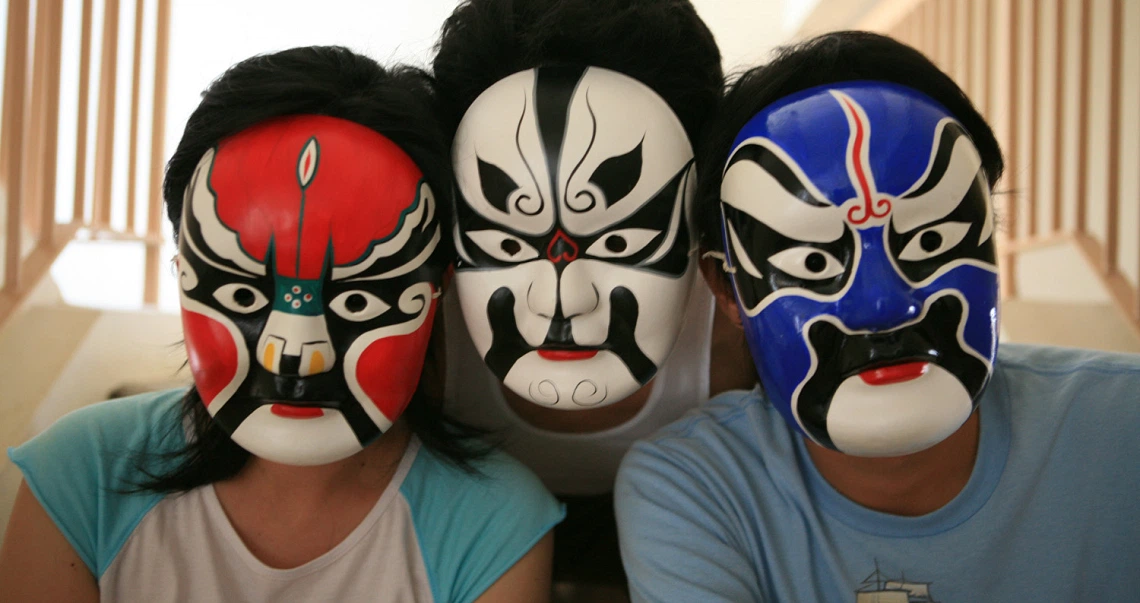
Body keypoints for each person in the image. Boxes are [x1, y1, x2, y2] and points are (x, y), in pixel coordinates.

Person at [0, 46, 563, 602]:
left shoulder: (493, 522)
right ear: (182, 269)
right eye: (244, 293)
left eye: (358, 302)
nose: (296, 352)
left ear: (438, 290)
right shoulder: (82, 473)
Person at [615, 31, 1140, 602]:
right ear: (726, 288)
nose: (883, 306)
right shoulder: (695, 489)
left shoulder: (1124, 431)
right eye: (813, 261)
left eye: (930, 241)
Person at [430, 0, 754, 593]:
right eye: (506, 243)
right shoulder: (425, 339)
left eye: (623, 241)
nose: (565, 300)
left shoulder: (742, 328)